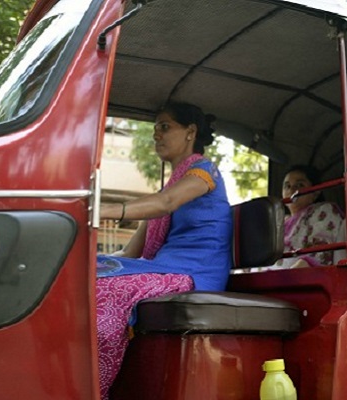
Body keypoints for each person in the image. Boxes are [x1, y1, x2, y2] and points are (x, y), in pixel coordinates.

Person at [96, 102, 232, 399]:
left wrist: (99, 210)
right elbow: (130, 254)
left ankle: (95, 388)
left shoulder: (203, 172)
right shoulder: (170, 187)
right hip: (165, 266)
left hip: (195, 273)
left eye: (165, 126)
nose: (156, 134)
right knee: (86, 272)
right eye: (155, 127)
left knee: (104, 291)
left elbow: (166, 203)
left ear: (190, 132)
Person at [277, 165, 344, 269]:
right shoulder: (278, 221)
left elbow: (319, 254)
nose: (292, 190)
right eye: (287, 186)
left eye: (299, 185)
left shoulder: (324, 210)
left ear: (316, 192)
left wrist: (286, 279)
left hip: (300, 278)